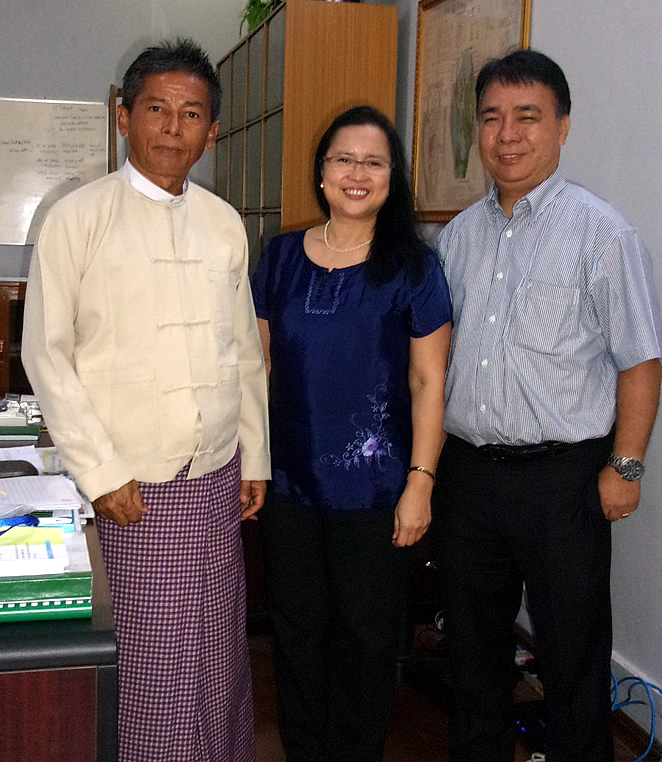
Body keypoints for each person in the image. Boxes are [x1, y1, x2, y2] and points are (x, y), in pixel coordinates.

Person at [22, 40, 270, 762]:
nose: (172, 126)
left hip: (217, 475)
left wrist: (256, 452)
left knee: (218, 652)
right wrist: (100, 473)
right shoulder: (77, 218)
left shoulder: (224, 224)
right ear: (124, 117)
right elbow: (46, 355)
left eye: (191, 114)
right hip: (132, 485)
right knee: (154, 663)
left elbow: (243, 352)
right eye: (156, 109)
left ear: (212, 131)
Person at [433, 49, 662, 762]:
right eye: (493, 117)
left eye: (527, 116)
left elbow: (641, 360)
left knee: (571, 660)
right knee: (472, 657)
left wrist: (626, 467)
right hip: (467, 474)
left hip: (562, 482)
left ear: (562, 126)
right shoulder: (456, 238)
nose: (507, 134)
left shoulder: (602, 233)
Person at [251, 105, 452, 761]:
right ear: (321, 171)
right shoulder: (279, 258)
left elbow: (428, 383)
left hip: (377, 493)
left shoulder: (414, 268)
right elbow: (258, 369)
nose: (356, 173)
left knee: (365, 642)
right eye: (344, 159)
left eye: (374, 161)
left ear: (392, 177)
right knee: (299, 634)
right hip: (290, 487)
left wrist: (421, 482)